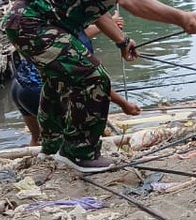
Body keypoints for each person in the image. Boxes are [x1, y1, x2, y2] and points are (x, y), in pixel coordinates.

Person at [3, 0, 196, 171]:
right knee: (93, 77)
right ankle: (80, 152)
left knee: (58, 81)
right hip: (32, 22)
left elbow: (97, 12)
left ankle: (50, 148)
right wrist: (180, 17)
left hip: (27, 22)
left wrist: (121, 41)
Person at [11, 13, 141, 145]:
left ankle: (38, 153)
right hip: (38, 92)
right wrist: (124, 104)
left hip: (19, 87)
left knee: (38, 138)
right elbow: (95, 82)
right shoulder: (76, 50)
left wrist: (108, 25)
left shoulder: (56, 27)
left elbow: (81, 34)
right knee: (68, 140)